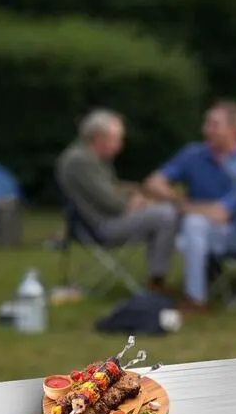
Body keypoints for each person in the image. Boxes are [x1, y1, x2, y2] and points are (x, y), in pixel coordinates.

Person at [143, 100, 236, 312]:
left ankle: (195, 299)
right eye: (206, 123)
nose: (206, 130)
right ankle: (165, 284)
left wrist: (183, 207)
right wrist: (177, 200)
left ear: (234, 129)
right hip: (212, 230)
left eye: (214, 125)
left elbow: (220, 213)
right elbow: (153, 182)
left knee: (193, 224)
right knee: (179, 220)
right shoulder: (194, 154)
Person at [55, 110, 178, 293]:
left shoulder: (94, 159)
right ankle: (157, 280)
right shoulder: (80, 161)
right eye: (117, 139)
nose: (120, 145)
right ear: (99, 137)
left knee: (164, 213)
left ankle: (159, 278)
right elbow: (115, 204)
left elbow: (111, 190)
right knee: (165, 214)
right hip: (101, 227)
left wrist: (134, 194)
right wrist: (138, 201)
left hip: (104, 221)